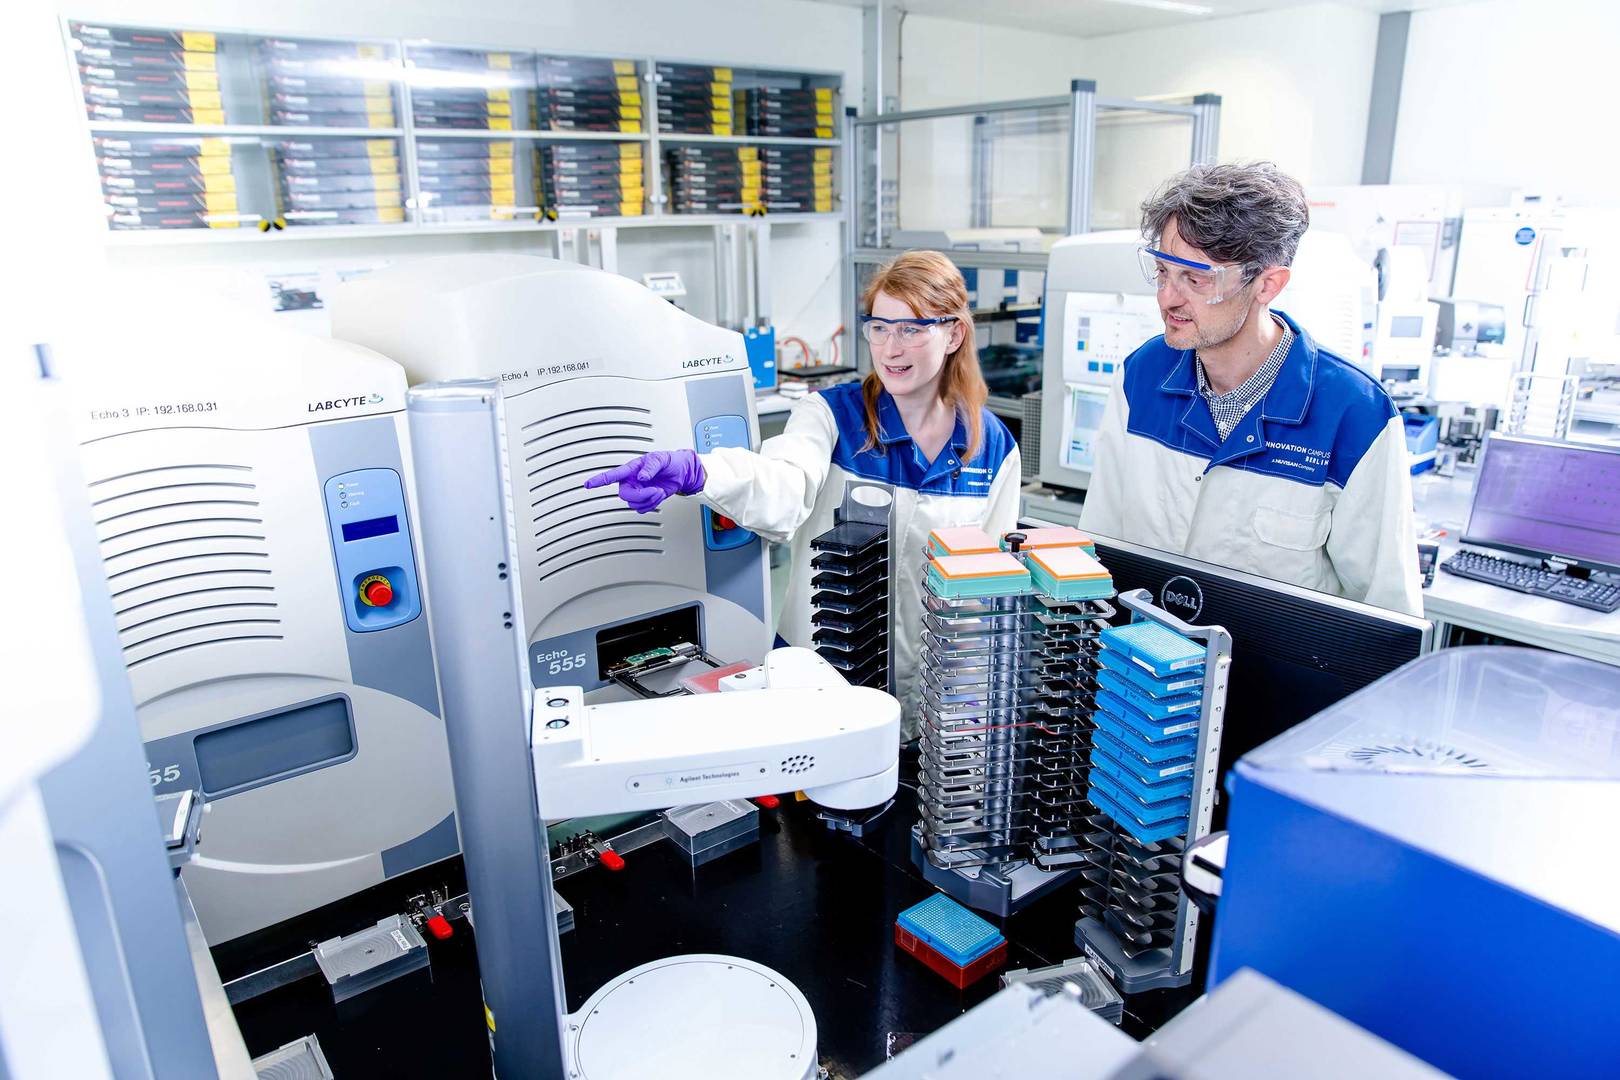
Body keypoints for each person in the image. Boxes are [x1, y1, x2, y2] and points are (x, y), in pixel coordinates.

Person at [585, 250, 1021, 736]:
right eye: (879, 327)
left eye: (912, 329)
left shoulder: (992, 447)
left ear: (954, 333)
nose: (891, 349)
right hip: (822, 680)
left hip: (935, 693)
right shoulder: (831, 415)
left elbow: (991, 589)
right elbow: (784, 486)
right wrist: (701, 472)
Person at [1080, 162, 1422, 615]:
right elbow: (1097, 552)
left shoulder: (1354, 415)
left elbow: (1387, 613)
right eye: (1163, 272)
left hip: (1276, 682)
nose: (1168, 297)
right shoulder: (1141, 378)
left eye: (1196, 279)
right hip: (1140, 673)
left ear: (1267, 284)